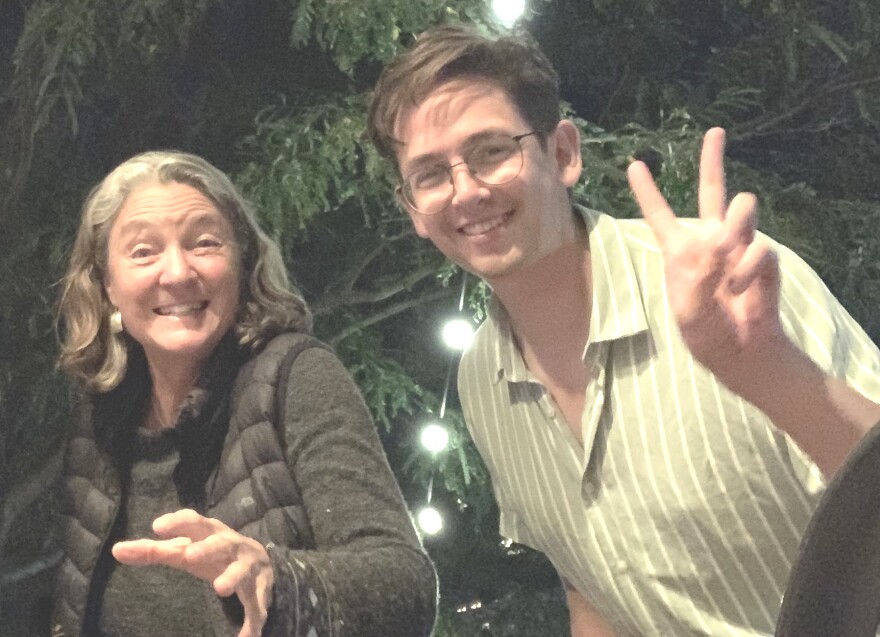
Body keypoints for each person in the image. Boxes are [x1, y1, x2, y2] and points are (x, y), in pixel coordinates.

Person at [367, 24, 880, 636]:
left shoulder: (729, 285)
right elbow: (589, 581)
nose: (467, 191)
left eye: (492, 151)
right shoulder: (482, 378)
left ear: (562, 154)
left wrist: (766, 368)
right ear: (413, 211)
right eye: (430, 174)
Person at [52, 151, 437, 637]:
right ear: (108, 284)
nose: (177, 273)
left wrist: (278, 578)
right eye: (144, 252)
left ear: (243, 262)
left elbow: (407, 586)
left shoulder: (293, 374)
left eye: (205, 243)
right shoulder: (97, 417)